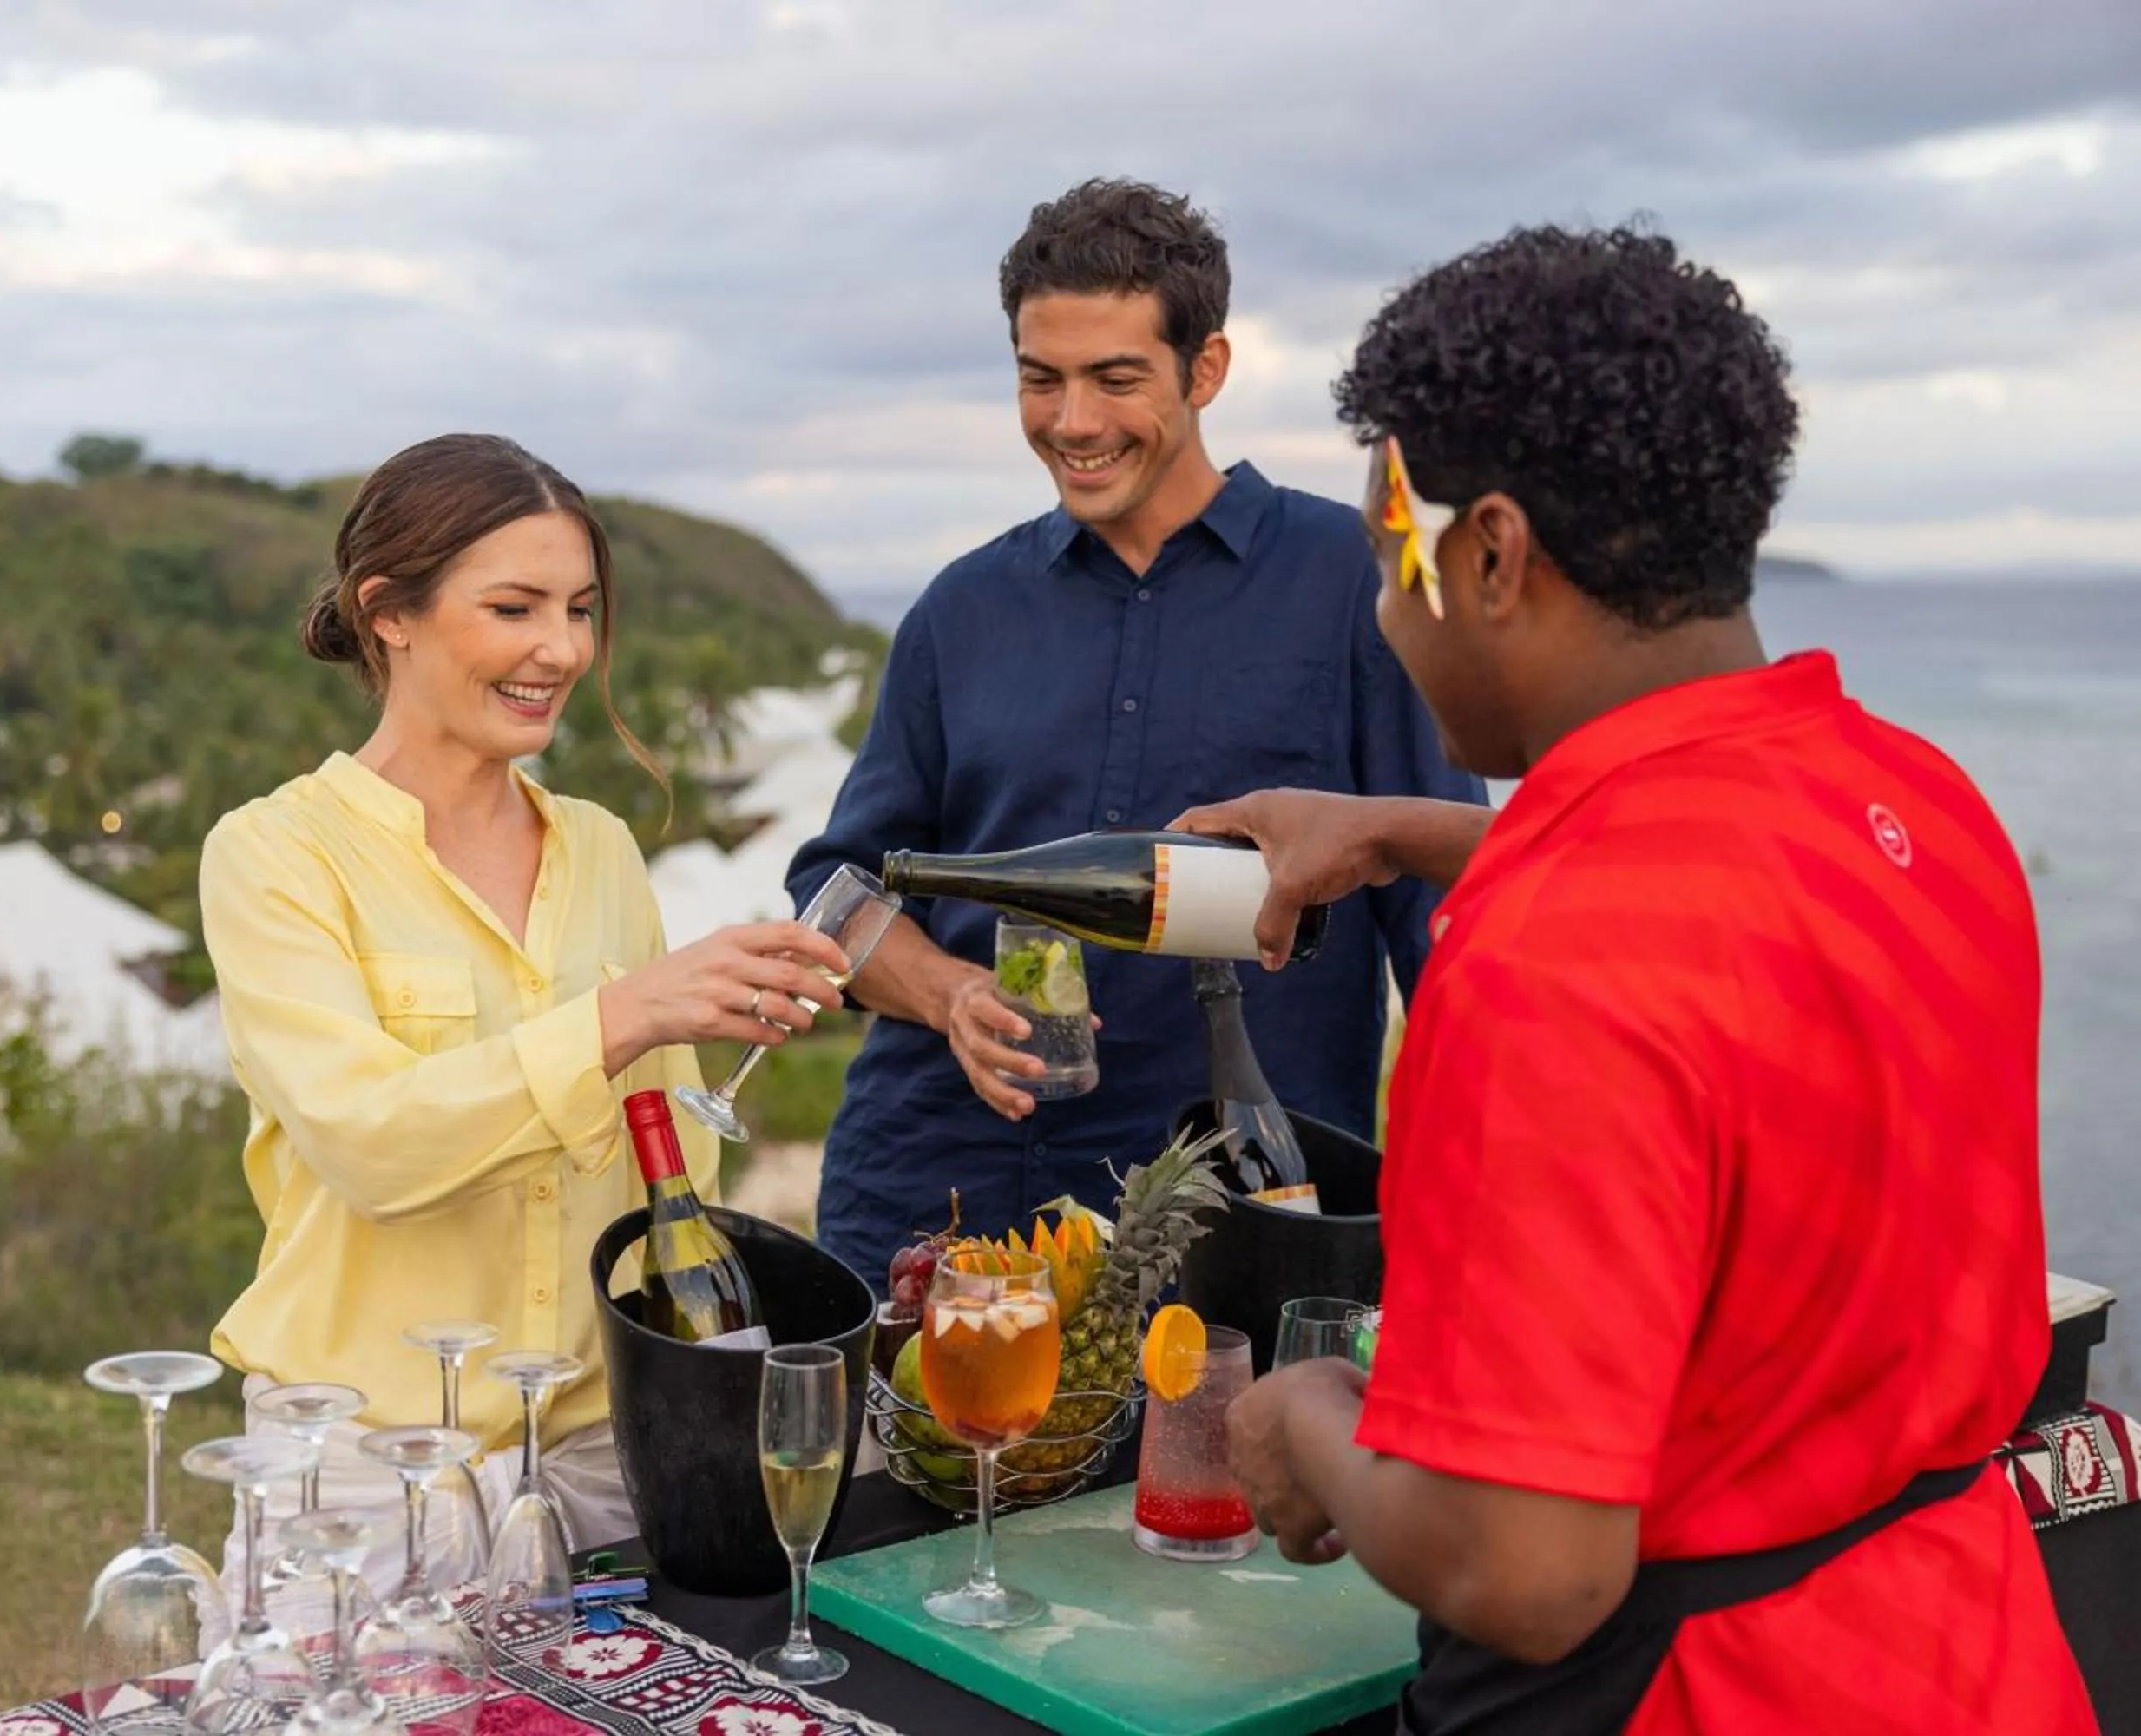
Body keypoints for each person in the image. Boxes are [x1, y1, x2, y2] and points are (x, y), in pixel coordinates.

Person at [1205, 227, 2098, 1733]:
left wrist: (1308, 1422)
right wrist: (1394, 832)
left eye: (1388, 562)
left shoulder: (1553, 954)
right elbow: (1720, 938)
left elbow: (1528, 1565)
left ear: (1488, 554)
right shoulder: (1914, 801)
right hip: (1967, 1651)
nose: (1382, 616)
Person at [786, 179, 1486, 1279]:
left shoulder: (1356, 586)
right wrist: (952, 995)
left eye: (1116, 378)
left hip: (1232, 1218)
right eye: (1040, 378)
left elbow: (1453, 924)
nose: (1072, 422)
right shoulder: (958, 610)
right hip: (931, 1194)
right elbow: (835, 885)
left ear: (1206, 369)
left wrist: (1478, 1199)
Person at [198, 433, 851, 1601]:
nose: (560, 650)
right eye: (514, 607)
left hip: (605, 1463)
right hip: (363, 1477)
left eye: (582, 610)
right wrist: (620, 1016)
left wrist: (715, 1053)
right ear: (387, 612)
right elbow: (370, 1143)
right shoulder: (275, 854)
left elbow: (672, 1175)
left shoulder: (599, 848)